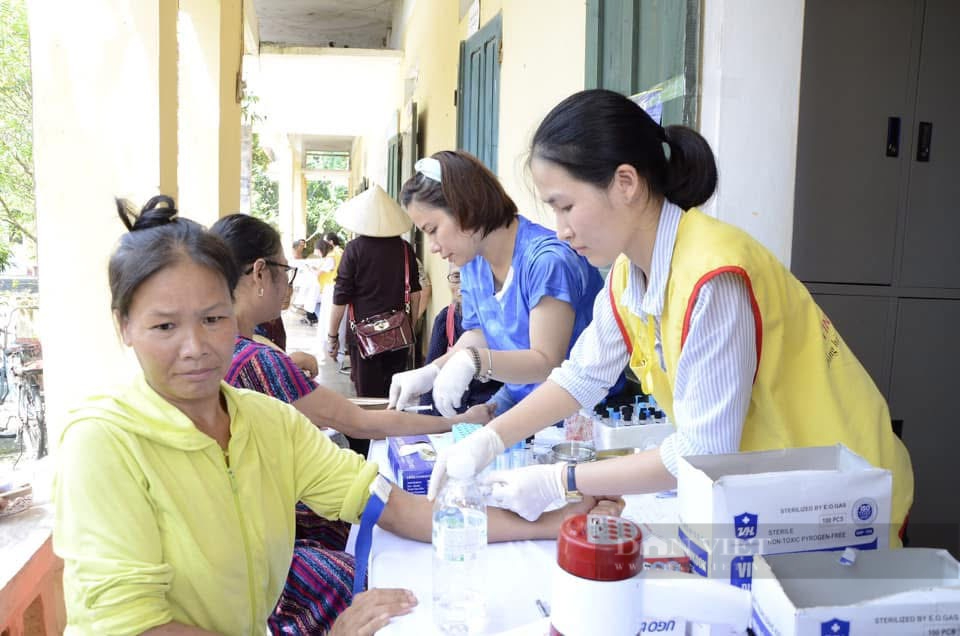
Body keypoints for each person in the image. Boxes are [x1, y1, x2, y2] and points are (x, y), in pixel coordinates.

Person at [53, 195, 606, 636]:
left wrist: (552, 523)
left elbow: (394, 507)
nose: (196, 346)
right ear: (123, 327)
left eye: (214, 318)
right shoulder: (103, 444)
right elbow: (135, 625)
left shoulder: (265, 423)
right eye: (164, 326)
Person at [427, 89, 914, 548]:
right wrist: (489, 441)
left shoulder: (713, 276)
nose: (563, 230)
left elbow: (700, 449)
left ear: (625, 183)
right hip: (772, 489)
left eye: (567, 206)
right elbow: (581, 378)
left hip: (843, 492)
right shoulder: (625, 274)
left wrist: (563, 479)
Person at [389, 150, 617, 419]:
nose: (434, 247)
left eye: (433, 230)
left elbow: (545, 362)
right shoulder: (473, 262)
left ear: (465, 208)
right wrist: (433, 370)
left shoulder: (546, 262)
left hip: (583, 413)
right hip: (523, 400)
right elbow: (481, 332)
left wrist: (475, 361)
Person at [324, 186, 422, 414]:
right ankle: (391, 437)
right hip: (398, 334)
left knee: (368, 397)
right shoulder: (405, 249)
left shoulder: (354, 249)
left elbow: (340, 297)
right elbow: (414, 293)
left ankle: (370, 444)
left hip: (364, 338)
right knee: (394, 396)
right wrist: (411, 331)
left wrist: (332, 336)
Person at [420, 263, 501, 415]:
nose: (463, 286)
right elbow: (430, 375)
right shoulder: (446, 318)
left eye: (471, 277)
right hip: (454, 414)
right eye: (456, 277)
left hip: (495, 411)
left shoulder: (503, 321)